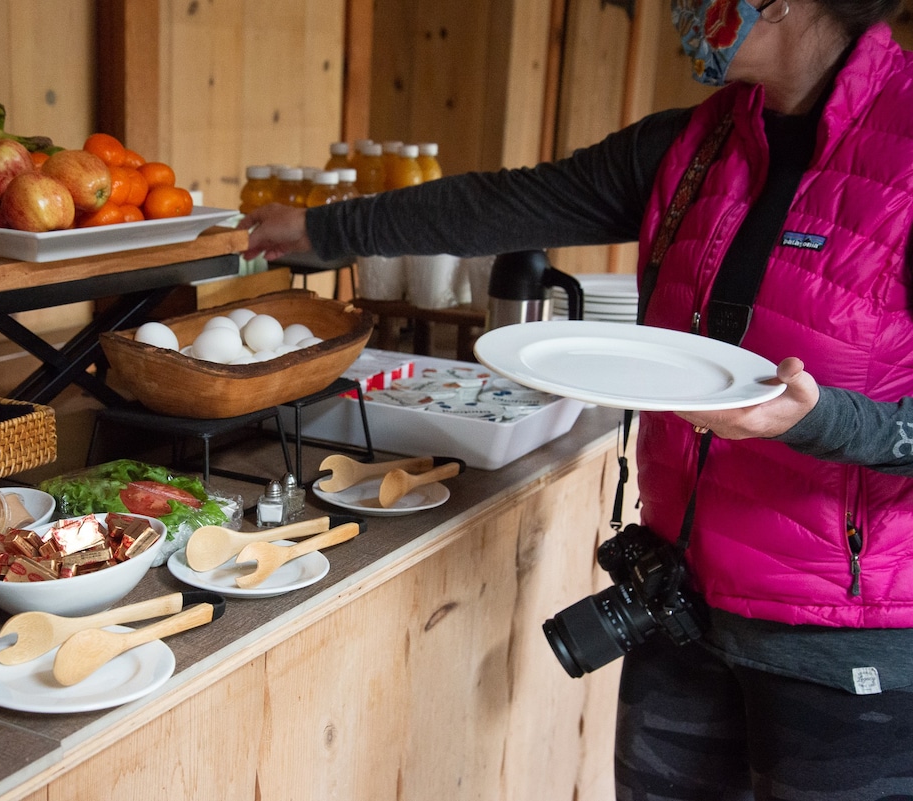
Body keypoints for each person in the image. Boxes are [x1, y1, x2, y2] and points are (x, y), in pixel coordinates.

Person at [240, 1, 913, 798]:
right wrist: (325, 230)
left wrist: (821, 420)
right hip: (677, 604)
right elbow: (507, 203)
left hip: (844, 644)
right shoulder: (696, 144)